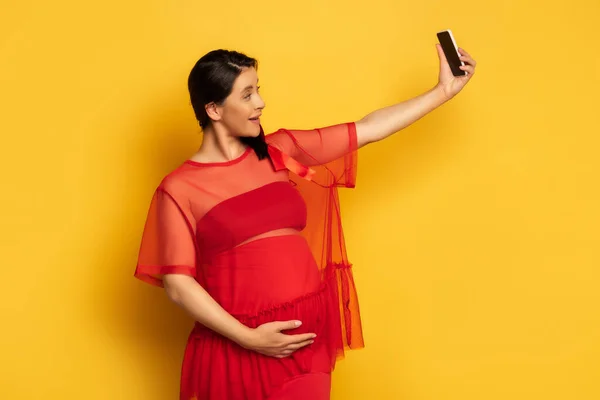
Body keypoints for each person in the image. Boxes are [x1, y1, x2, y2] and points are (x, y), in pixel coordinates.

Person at [134, 46, 477, 400]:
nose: (261, 102)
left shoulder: (280, 149)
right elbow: (178, 285)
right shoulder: (180, 187)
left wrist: (442, 92)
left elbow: (369, 129)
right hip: (239, 345)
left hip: (305, 336)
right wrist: (248, 337)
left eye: (259, 89)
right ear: (214, 109)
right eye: (248, 94)